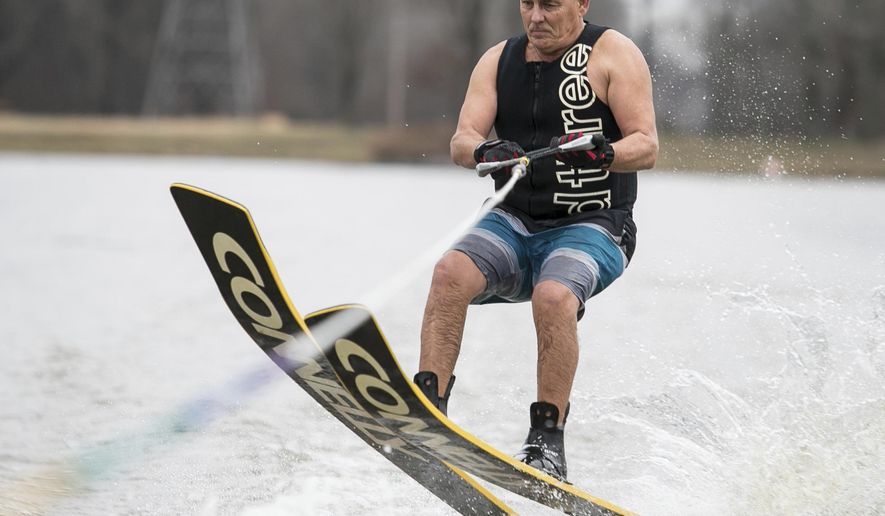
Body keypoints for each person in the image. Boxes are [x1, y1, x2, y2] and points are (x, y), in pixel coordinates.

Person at [413, 0, 658, 482]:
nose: (536, 16)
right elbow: (462, 140)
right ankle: (427, 410)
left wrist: (606, 152)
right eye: (527, 3)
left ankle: (547, 444)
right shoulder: (497, 60)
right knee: (449, 273)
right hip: (514, 221)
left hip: (596, 224)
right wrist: (484, 149)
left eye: (550, 4)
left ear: (582, 4)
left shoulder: (613, 53)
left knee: (553, 296)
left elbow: (646, 145)